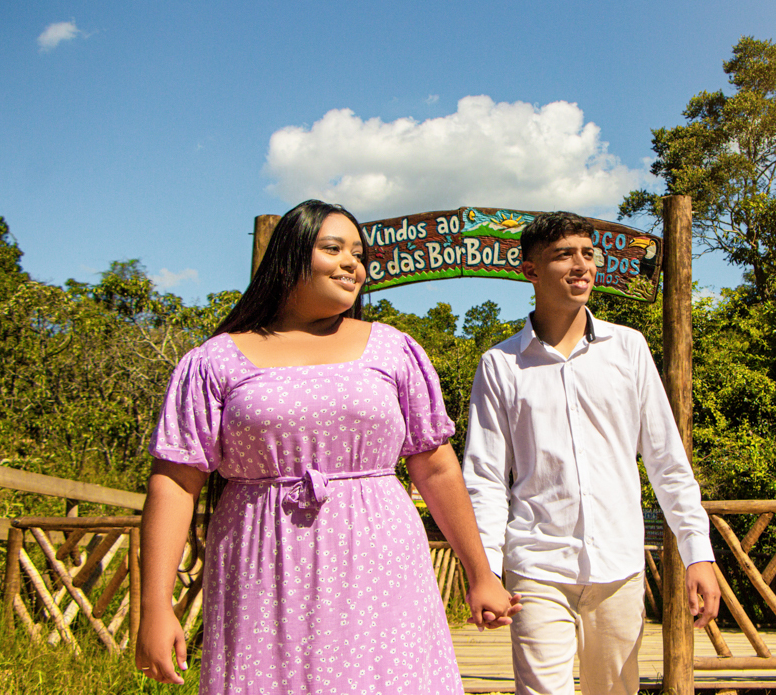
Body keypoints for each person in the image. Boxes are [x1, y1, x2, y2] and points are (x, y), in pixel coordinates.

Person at [136, 199, 519, 694]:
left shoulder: (393, 349)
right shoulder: (213, 361)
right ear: (289, 257)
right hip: (262, 564)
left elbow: (437, 469)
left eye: (358, 253)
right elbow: (175, 482)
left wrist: (481, 573)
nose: (351, 264)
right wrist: (155, 606)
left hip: (381, 560)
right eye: (333, 248)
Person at [462, 211, 721, 695]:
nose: (581, 265)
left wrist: (697, 554)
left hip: (620, 565)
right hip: (536, 565)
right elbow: (484, 479)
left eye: (588, 253)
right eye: (564, 255)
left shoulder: (628, 348)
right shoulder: (500, 365)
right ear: (531, 270)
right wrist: (486, 572)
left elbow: (667, 462)